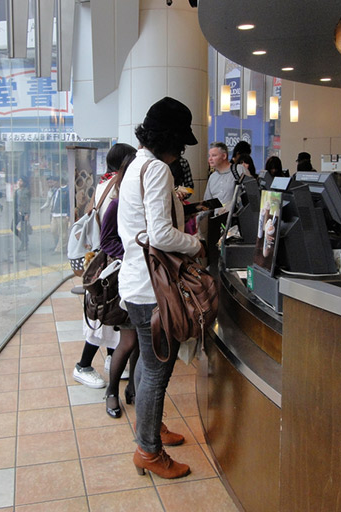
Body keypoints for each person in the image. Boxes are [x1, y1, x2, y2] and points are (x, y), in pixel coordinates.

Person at [117, 96, 203, 480]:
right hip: (154, 290)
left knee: (148, 365)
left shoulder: (135, 165)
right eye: (180, 141)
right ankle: (148, 450)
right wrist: (196, 244)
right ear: (169, 138)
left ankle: (150, 430)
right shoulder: (156, 171)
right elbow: (161, 235)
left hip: (137, 285)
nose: (182, 149)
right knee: (157, 369)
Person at [69, 144, 137, 408]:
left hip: (103, 259)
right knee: (104, 317)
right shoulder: (117, 190)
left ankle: (110, 360)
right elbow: (115, 232)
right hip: (110, 262)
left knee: (109, 317)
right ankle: (83, 365)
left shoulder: (104, 184)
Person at [204, 141, 246, 206]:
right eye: (209, 156)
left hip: (237, 215)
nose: (210, 159)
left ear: (224, 156)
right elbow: (207, 204)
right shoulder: (212, 177)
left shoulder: (239, 170)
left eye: (214, 155)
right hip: (218, 215)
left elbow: (251, 195)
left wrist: (231, 205)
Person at [40, 176, 69, 253]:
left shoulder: (66, 190)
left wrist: (68, 214)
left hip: (62, 214)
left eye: (54, 182)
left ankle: (60, 249)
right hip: (54, 213)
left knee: (63, 232)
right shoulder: (56, 190)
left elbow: (69, 203)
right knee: (54, 230)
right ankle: (59, 245)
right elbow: (50, 201)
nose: (52, 184)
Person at [15, 176, 32, 251]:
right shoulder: (17, 191)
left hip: (24, 213)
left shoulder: (27, 191)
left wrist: (27, 214)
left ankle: (24, 244)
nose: (19, 182)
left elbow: (28, 203)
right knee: (13, 227)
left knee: (23, 229)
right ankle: (24, 240)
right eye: (19, 180)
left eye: (21, 181)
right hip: (17, 212)